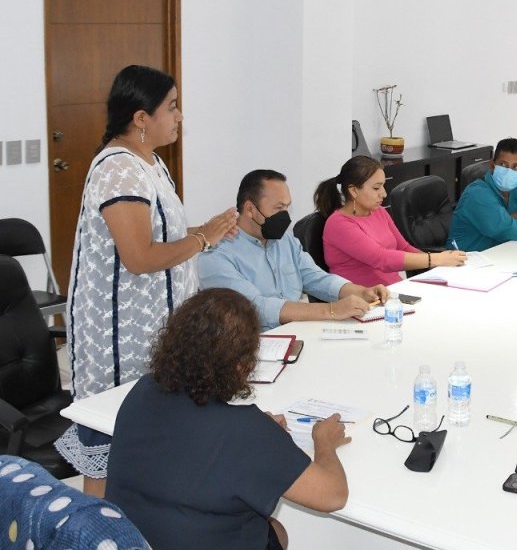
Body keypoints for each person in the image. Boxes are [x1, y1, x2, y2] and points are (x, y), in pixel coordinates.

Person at [55, 64, 238, 498]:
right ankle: (94, 527)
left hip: (155, 325)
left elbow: (163, 238)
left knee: (153, 435)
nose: (179, 116)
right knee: (111, 438)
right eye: (171, 107)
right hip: (119, 333)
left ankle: (145, 519)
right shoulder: (118, 169)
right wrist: (202, 239)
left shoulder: (151, 163)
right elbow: (138, 257)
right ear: (141, 118)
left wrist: (205, 232)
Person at [106, 288, 350, 550]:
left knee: (274, 530)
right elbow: (333, 496)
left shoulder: (144, 390)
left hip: (130, 540)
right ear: (242, 364)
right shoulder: (247, 431)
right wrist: (324, 443)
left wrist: (262, 435)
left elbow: (189, 447)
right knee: (276, 532)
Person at [198, 169, 389, 331]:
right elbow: (256, 308)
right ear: (250, 209)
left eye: (287, 207)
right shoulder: (217, 254)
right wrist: (331, 310)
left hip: (298, 333)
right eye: (278, 207)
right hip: (253, 345)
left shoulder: (284, 240)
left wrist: (360, 292)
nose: (285, 216)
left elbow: (315, 278)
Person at [315, 156, 466, 287]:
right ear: (354, 190)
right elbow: (381, 259)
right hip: (364, 299)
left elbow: (403, 247)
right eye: (376, 188)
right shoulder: (339, 224)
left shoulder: (378, 211)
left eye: (383, 186)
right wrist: (436, 259)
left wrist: (436, 266)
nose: (384, 193)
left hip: (393, 289)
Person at [447, 138, 517, 251]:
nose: (509, 171)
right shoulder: (477, 193)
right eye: (503, 165)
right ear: (492, 165)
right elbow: (507, 230)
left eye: (516, 167)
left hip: (502, 254)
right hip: (466, 258)